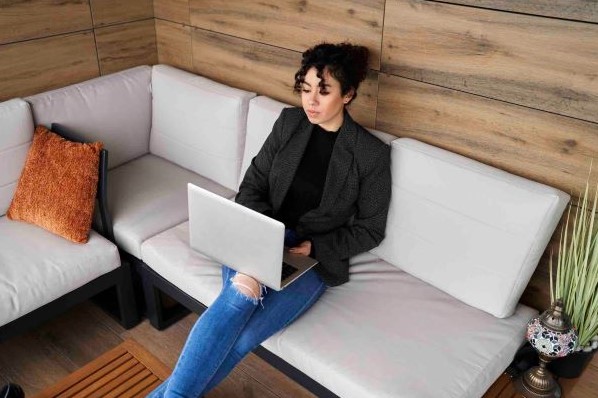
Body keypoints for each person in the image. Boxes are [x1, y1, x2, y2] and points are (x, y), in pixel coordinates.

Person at [148, 42, 391, 397]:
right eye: (306, 89)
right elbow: (252, 184)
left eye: (323, 92)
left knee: (244, 336)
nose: (311, 101)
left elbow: (372, 228)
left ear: (349, 94)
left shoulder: (369, 154)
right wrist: (265, 234)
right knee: (243, 293)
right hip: (258, 235)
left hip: (310, 257)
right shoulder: (290, 123)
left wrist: (316, 246)